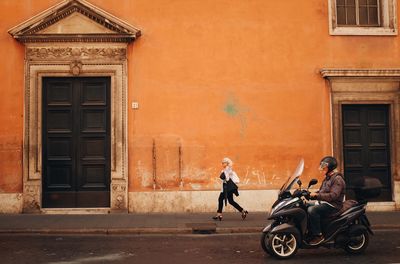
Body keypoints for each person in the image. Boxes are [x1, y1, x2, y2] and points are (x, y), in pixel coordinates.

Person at [308, 156, 346, 245]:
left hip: (334, 205)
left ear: (330, 168)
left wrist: (317, 195)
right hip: (326, 202)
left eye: (324, 167)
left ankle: (318, 236)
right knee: (305, 205)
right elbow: (323, 191)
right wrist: (313, 193)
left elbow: (333, 196)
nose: (322, 169)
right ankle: (311, 231)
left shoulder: (337, 179)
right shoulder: (328, 178)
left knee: (312, 210)